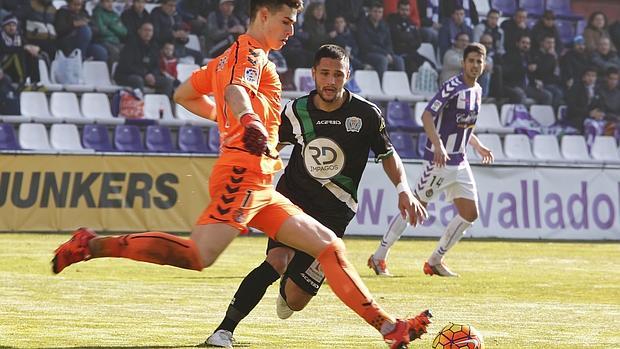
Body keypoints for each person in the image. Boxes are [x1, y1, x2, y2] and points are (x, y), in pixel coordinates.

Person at [52, 2, 432, 349]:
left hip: (262, 182)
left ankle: (389, 328)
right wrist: (246, 118)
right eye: (287, 21)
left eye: (295, 23)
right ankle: (91, 245)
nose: (292, 30)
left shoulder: (227, 59)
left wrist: (233, 119)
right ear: (263, 15)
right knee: (197, 255)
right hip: (243, 172)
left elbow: (184, 94)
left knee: (329, 246)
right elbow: (237, 90)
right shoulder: (249, 54)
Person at [204, 43, 428, 348]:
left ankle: (293, 284)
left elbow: (388, 154)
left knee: (295, 301)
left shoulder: (365, 114)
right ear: (313, 74)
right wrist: (243, 174)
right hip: (293, 199)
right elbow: (271, 146)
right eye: (325, 73)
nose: (331, 81)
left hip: (334, 212)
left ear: (347, 75)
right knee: (278, 259)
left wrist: (403, 190)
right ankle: (223, 331)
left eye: (338, 74)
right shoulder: (296, 111)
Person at [368, 42, 494, 277]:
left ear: (484, 64)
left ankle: (435, 260)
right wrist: (437, 145)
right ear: (463, 63)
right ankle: (378, 257)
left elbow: (464, 125)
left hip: (461, 162)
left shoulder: (477, 90)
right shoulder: (452, 87)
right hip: (439, 163)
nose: (475, 65)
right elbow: (427, 115)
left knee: (470, 214)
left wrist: (477, 145)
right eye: (471, 61)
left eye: (479, 61)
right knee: (414, 209)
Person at [113, 21, 174, 97]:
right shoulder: (131, 44)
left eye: (150, 30)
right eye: (145, 30)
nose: (148, 33)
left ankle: (159, 105)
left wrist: (152, 75)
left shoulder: (154, 47)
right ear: (139, 31)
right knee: (138, 80)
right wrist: (145, 75)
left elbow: (156, 66)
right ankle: (140, 105)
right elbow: (127, 66)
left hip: (146, 76)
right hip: (126, 76)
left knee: (167, 82)